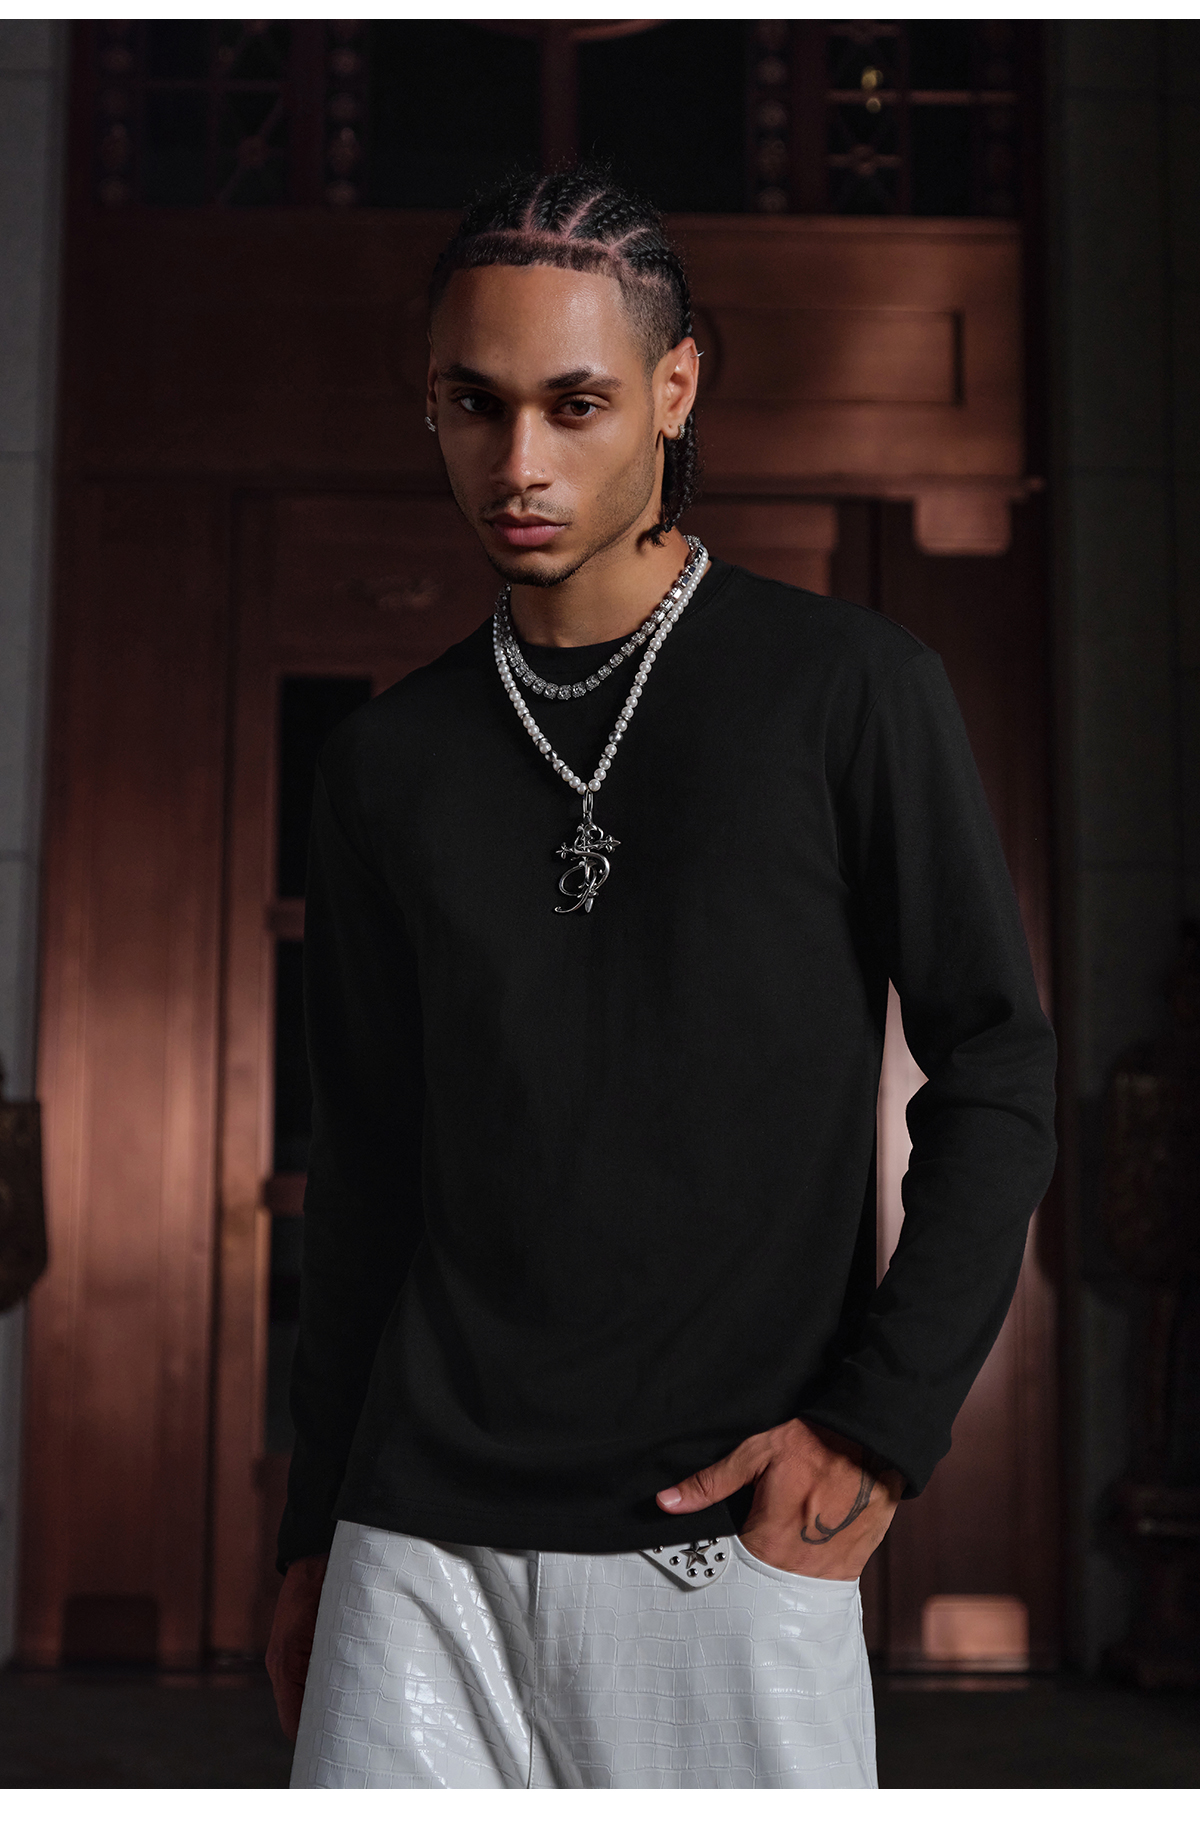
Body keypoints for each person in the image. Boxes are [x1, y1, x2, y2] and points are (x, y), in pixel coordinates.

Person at [266, 166, 1057, 1789]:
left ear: (676, 386)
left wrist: (882, 1425)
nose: (520, 463)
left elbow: (998, 1064)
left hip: (722, 1528)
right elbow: (367, 1173)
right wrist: (309, 1530)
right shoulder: (385, 765)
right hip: (412, 1535)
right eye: (474, 405)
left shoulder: (849, 691)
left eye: (576, 405)